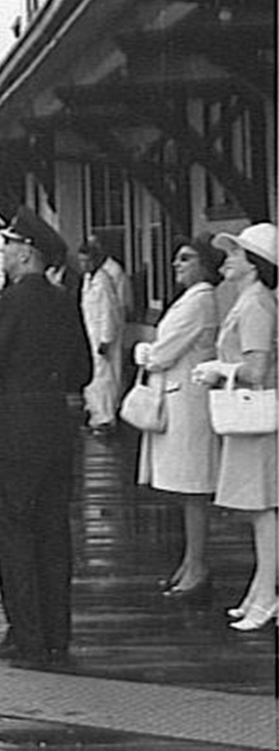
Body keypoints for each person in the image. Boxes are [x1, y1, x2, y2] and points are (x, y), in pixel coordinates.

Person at [0, 207, 92, 667]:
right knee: (54, 532)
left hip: (11, 432)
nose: (3, 252)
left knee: (15, 533)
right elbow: (83, 370)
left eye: (8, 245)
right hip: (56, 430)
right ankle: (57, 633)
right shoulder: (64, 300)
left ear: (25, 253)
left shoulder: (8, 302)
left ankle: (25, 634)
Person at [192, 222, 278, 632]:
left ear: (255, 264)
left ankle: (266, 596)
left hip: (258, 420)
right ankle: (259, 591)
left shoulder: (257, 303)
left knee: (263, 510)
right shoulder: (248, 299)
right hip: (248, 422)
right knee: (256, 509)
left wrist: (219, 369)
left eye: (236, 254)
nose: (228, 259)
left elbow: (259, 368)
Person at [132, 235, 223, 600]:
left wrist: (142, 351)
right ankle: (189, 562)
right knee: (187, 491)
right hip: (181, 400)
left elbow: (161, 354)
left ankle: (198, 566)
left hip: (188, 404)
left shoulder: (199, 302)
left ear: (204, 265)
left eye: (185, 258)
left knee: (193, 488)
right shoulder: (191, 300)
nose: (177, 265)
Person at [79, 242, 123, 433]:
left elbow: (108, 312)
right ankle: (96, 414)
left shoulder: (103, 281)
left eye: (86, 261)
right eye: (81, 261)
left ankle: (106, 417)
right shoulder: (89, 279)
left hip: (102, 338)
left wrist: (106, 339)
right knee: (94, 378)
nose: (83, 265)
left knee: (104, 378)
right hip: (90, 334)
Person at [90, 233, 133, 321]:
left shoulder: (114, 270)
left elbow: (122, 298)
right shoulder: (90, 271)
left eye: (95, 245)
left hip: (111, 319)